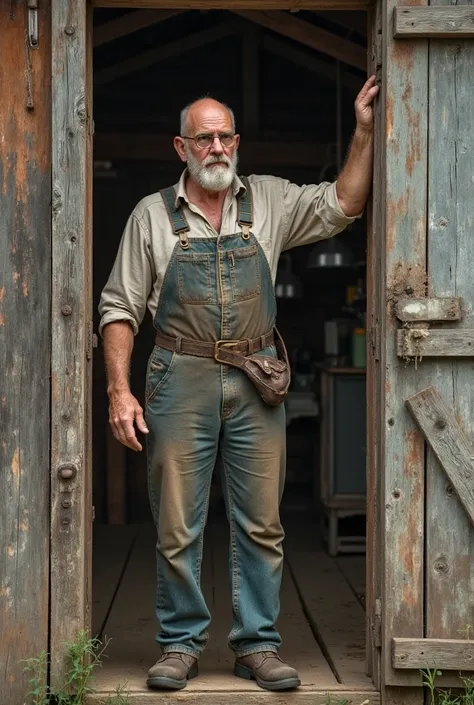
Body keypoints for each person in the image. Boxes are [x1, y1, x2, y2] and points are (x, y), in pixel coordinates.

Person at [98, 75, 379, 692]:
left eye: (225, 136)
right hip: (180, 375)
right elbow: (118, 307)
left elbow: (345, 203)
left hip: (257, 378)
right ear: (181, 148)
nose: (217, 147)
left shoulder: (271, 201)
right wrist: (120, 391)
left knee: (261, 522)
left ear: (238, 141)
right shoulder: (152, 215)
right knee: (177, 522)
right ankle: (179, 644)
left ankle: (257, 643)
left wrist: (361, 132)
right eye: (204, 138)